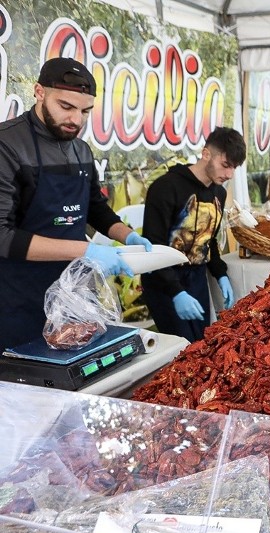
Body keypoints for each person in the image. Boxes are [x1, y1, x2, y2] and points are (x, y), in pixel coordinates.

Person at [0, 57, 152, 350]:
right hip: (16, 298)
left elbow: (94, 205)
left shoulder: (81, 149)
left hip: (74, 294)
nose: (76, 120)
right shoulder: (7, 145)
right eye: (66, 107)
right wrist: (87, 250)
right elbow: (2, 237)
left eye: (85, 111)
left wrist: (127, 235)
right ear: (39, 92)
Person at [141, 127, 246, 343]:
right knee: (180, 348)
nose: (228, 175)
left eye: (233, 168)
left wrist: (220, 274)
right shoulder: (165, 188)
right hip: (164, 281)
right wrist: (175, 292)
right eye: (225, 165)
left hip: (196, 279)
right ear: (206, 153)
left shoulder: (219, 192)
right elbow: (153, 246)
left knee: (201, 344)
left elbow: (210, 241)